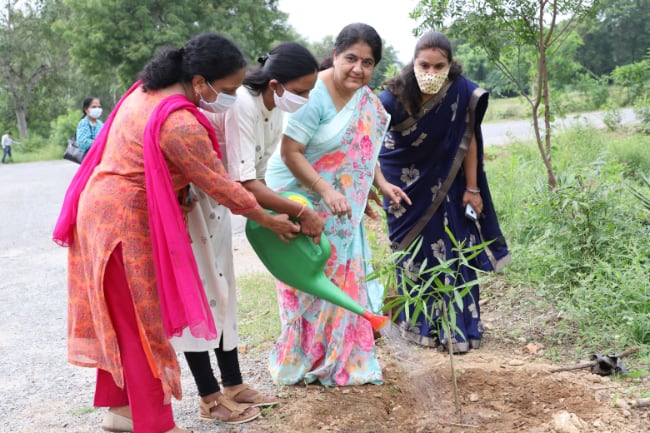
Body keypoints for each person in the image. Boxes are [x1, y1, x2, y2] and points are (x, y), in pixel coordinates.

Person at [52, 33, 300, 433]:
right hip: (123, 223)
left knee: (123, 320)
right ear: (200, 82)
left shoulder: (142, 92)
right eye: (228, 90)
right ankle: (156, 424)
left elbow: (141, 159)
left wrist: (174, 190)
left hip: (102, 213)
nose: (232, 98)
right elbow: (222, 186)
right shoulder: (180, 122)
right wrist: (270, 218)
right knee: (141, 326)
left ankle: (123, 413)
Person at [170, 41, 324, 423]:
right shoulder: (242, 106)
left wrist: (287, 209)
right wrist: (299, 210)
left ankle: (233, 383)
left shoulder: (272, 112)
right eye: (301, 91)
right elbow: (246, 181)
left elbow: (254, 179)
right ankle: (208, 397)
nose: (305, 98)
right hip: (196, 205)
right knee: (200, 297)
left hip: (221, 206)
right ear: (276, 85)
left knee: (223, 295)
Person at [264, 23, 411, 386]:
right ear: (335, 55)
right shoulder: (311, 94)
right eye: (351, 59)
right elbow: (290, 151)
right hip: (296, 197)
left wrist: (378, 184)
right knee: (306, 279)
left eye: (368, 62)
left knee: (344, 282)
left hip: (341, 204)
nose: (358, 69)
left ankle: (344, 357)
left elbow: (363, 148)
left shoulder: (365, 99)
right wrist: (325, 192)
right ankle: (305, 356)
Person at [378, 31, 511, 353]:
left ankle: (458, 328)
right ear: (413, 63)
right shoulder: (390, 98)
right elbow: (369, 146)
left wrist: (472, 188)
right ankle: (418, 326)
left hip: (451, 190)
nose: (432, 73)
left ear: (451, 66)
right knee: (412, 255)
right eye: (425, 65)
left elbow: (469, 141)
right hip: (404, 192)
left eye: (440, 67)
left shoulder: (461, 93)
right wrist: (380, 183)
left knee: (454, 251)